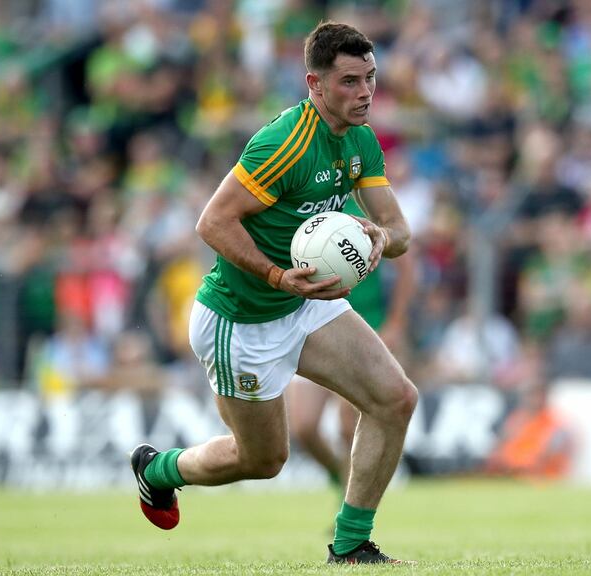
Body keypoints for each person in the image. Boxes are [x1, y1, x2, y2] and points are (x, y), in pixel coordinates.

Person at [128, 21, 417, 565]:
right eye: (350, 81)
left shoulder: (361, 140)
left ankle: (352, 544)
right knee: (261, 460)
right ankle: (157, 469)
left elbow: (401, 234)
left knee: (395, 398)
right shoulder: (283, 142)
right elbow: (212, 222)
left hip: (305, 306)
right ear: (315, 83)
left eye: (371, 79)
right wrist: (277, 275)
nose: (365, 93)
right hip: (241, 319)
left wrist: (381, 234)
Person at [286, 197, 417, 496]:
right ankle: (341, 478)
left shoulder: (366, 209)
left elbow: (407, 266)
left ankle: (350, 509)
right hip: (314, 329)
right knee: (304, 426)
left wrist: (395, 323)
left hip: (365, 326)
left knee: (349, 425)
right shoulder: (303, 208)